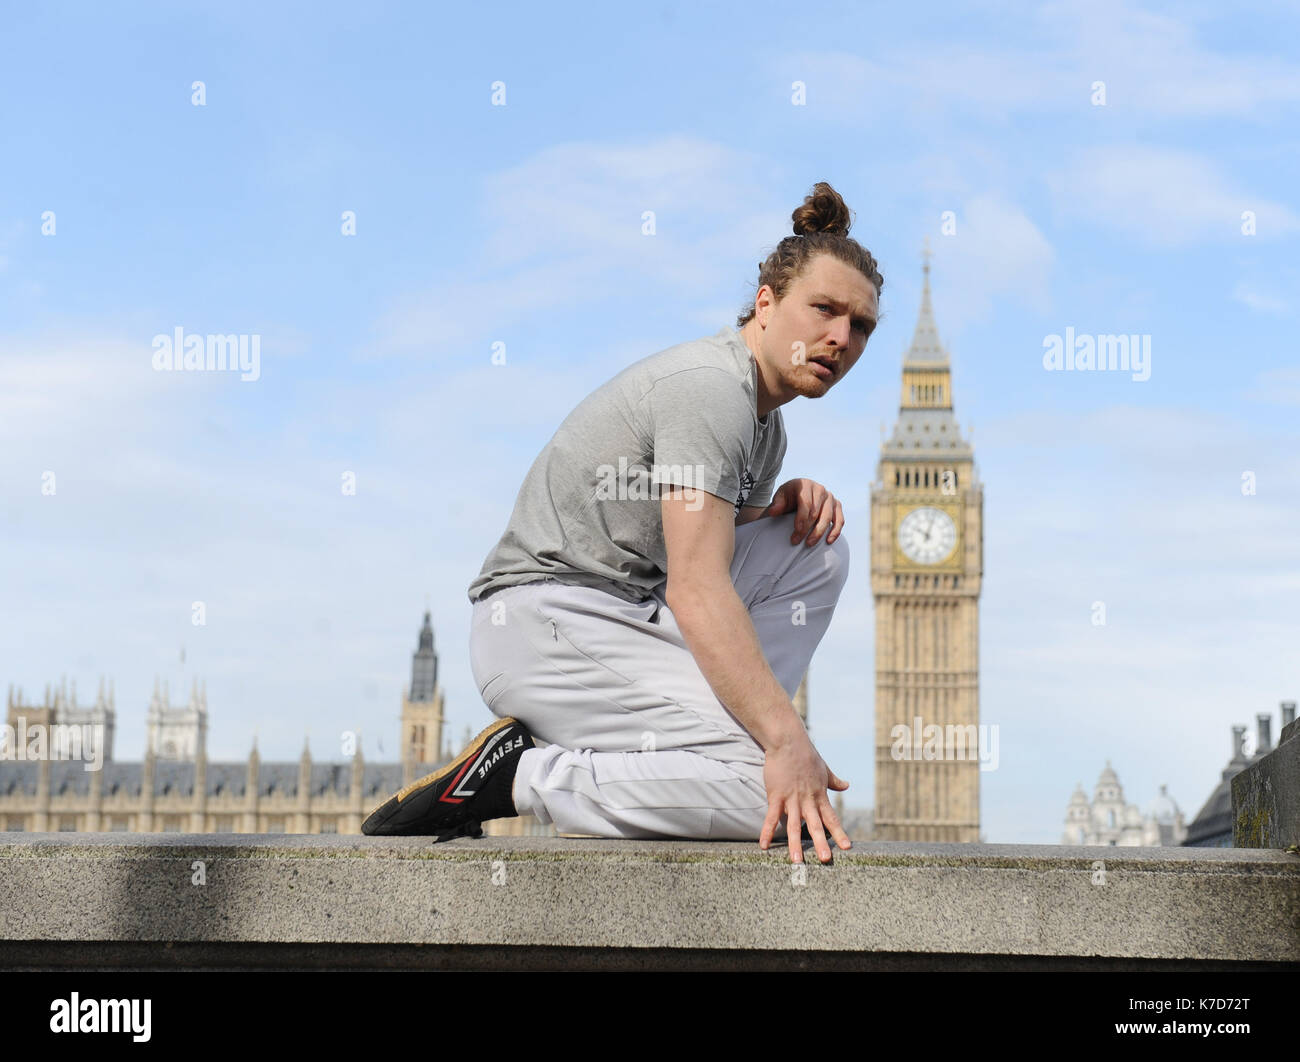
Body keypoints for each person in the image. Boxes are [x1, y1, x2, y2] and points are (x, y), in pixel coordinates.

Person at [362, 181, 883, 864]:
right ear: (767, 303)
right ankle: (519, 776)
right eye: (824, 309)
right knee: (771, 788)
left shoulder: (765, 429)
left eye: (862, 326)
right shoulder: (710, 389)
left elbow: (723, 581)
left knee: (818, 549)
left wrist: (782, 508)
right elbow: (698, 591)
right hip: (546, 625)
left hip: (622, 619)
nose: (840, 338)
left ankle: (735, 737)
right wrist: (784, 741)